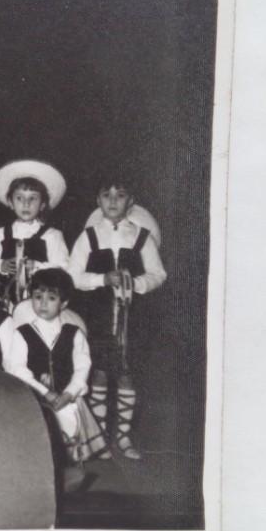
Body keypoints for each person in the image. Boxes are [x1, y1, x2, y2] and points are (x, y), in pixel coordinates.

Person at [67, 179, 167, 459]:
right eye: (106, 195)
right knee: (98, 370)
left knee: (126, 372)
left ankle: (122, 436)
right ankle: (99, 438)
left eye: (120, 195)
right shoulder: (88, 236)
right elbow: (72, 275)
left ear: (130, 202)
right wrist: (102, 279)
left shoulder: (142, 236)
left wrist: (134, 283)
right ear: (97, 200)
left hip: (132, 317)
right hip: (96, 313)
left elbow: (158, 274)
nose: (112, 201)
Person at [8, 268, 106, 466]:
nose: (43, 303)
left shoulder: (74, 333)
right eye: (37, 297)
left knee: (69, 440)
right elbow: (17, 369)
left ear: (64, 303)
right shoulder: (22, 333)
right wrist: (46, 393)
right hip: (35, 400)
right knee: (39, 447)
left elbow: (82, 367)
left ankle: (69, 475)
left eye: (51, 298)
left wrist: (69, 394)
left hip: (66, 400)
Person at [0, 160, 70, 309]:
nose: (26, 204)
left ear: (43, 204)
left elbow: (63, 268)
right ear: (10, 202)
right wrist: (0, 265)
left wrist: (37, 267)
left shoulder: (52, 235)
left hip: (39, 302)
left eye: (33, 198)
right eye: (19, 198)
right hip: (2, 299)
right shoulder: (0, 234)